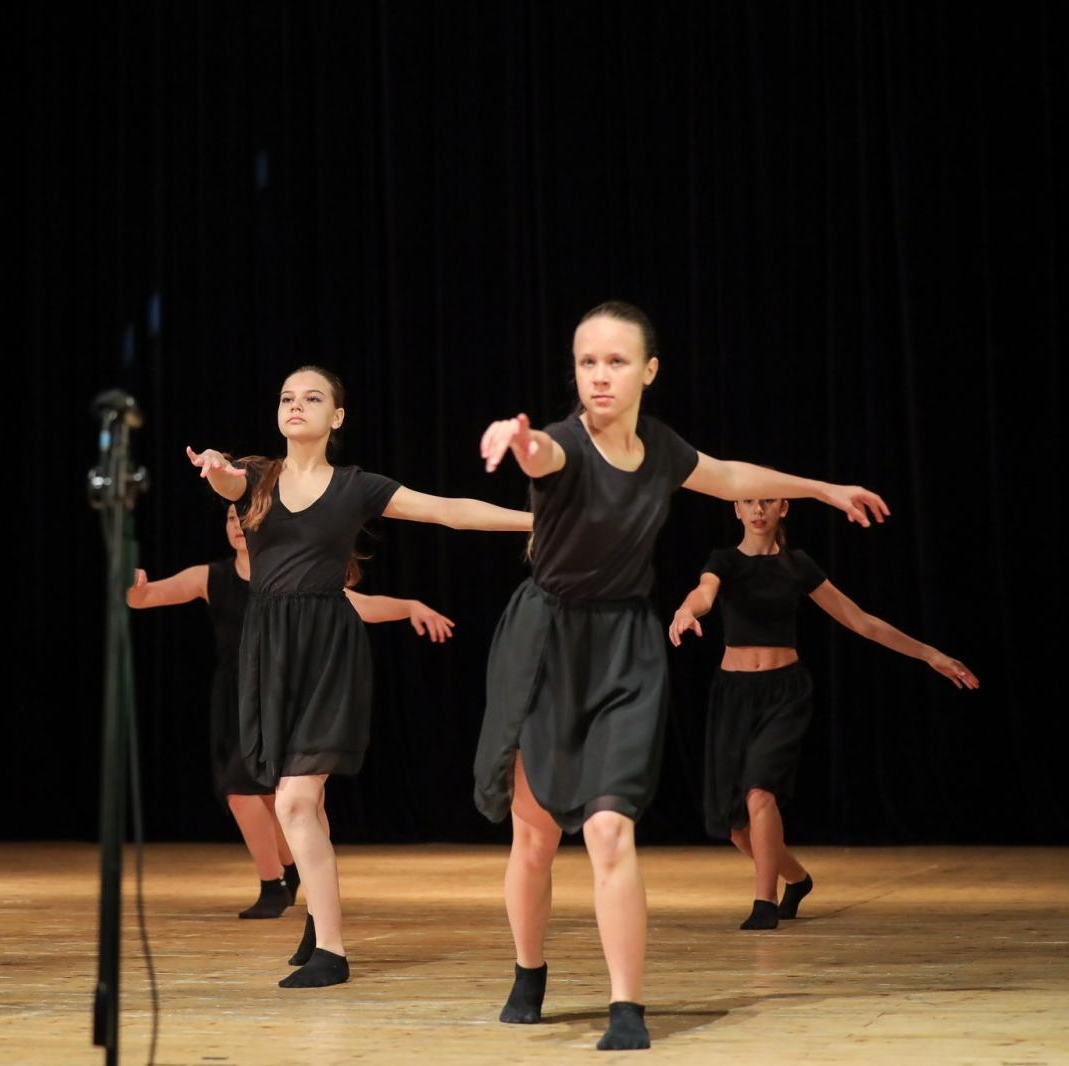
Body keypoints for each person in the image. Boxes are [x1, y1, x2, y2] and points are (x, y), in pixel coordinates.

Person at [474, 300, 888, 1050]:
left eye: (617, 361)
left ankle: (625, 1004)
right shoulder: (563, 442)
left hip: (626, 643)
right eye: (587, 362)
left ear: (649, 371)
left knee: (608, 827)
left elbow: (730, 475)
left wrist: (824, 489)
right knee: (533, 837)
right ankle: (528, 971)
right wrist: (520, 439)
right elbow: (544, 459)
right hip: (546, 643)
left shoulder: (661, 449)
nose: (600, 376)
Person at [188, 364, 532, 988]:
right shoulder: (258, 478)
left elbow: (448, 511)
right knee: (303, 803)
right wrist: (214, 467)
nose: (296, 405)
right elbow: (224, 479)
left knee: (295, 799)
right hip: (269, 652)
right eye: (287, 397)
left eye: (312, 398)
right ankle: (321, 920)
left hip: (326, 650)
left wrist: (539, 522)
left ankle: (334, 952)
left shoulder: (355, 487)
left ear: (336, 417)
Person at [127, 501, 454, 918]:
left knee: (261, 796)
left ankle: (276, 882)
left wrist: (409, 606)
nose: (237, 526)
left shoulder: (288, 576)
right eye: (231, 519)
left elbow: (358, 605)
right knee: (248, 795)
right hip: (234, 699)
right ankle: (283, 874)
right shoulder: (211, 577)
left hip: (284, 696)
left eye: (245, 519)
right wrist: (133, 587)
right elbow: (145, 598)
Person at [668, 495, 977, 929]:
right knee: (737, 829)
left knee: (761, 792)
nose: (759, 510)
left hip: (784, 694)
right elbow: (704, 592)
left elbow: (861, 621)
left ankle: (764, 904)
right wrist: (685, 610)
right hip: (733, 696)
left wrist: (930, 655)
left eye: (768, 502)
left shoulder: (798, 565)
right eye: (749, 502)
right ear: (736, 509)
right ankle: (797, 877)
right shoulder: (724, 561)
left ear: (783, 509)